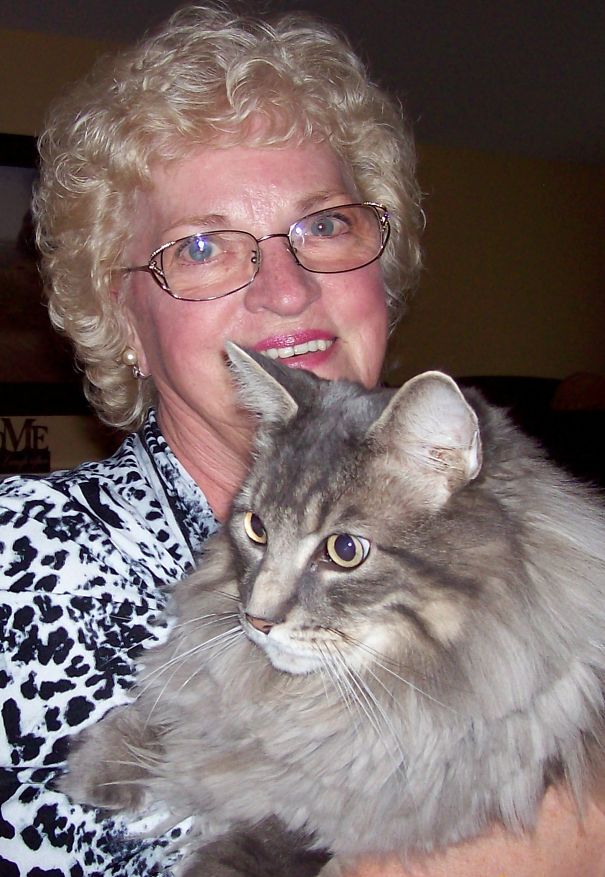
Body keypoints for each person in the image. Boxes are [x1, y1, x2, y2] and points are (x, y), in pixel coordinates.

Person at [0, 5, 603, 876]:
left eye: (323, 226)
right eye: (202, 245)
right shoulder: (24, 563)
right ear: (122, 318)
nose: (284, 290)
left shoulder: (500, 518)